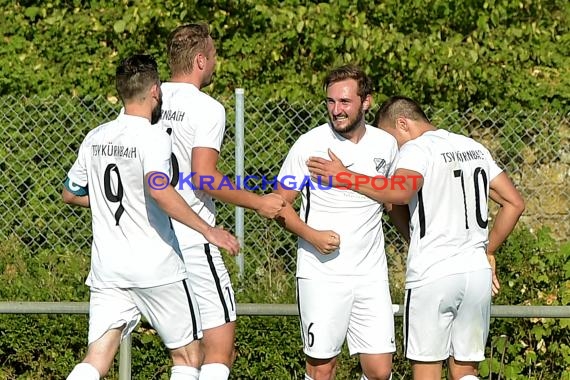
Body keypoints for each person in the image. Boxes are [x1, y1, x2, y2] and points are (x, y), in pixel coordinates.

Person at [307, 96, 525, 380]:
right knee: (465, 370)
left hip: (433, 274)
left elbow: (399, 193)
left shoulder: (416, 149)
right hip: (476, 273)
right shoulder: (473, 147)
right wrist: (488, 250)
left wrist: (345, 177)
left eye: (392, 140)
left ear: (403, 124)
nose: (394, 149)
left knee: (426, 367)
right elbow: (514, 203)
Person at [62, 54, 240, 380]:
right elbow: (159, 190)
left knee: (97, 358)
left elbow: (70, 193)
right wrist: (207, 229)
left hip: (108, 270)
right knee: (188, 356)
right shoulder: (154, 137)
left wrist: (106, 202)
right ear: (155, 91)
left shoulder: (96, 136)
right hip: (156, 268)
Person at [158, 23, 286, 380]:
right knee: (219, 349)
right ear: (200, 60)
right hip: (194, 238)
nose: (215, 63)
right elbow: (204, 177)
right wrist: (258, 202)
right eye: (213, 56)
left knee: (184, 355)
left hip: (153, 238)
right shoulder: (207, 107)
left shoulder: (148, 101)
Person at [274, 64, 406, 380]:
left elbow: (391, 201)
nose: (337, 110)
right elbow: (279, 204)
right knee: (322, 368)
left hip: (371, 275)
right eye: (331, 102)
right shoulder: (309, 144)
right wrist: (312, 235)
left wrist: (416, 242)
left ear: (366, 102)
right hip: (321, 274)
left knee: (379, 370)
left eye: (345, 102)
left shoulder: (386, 144)